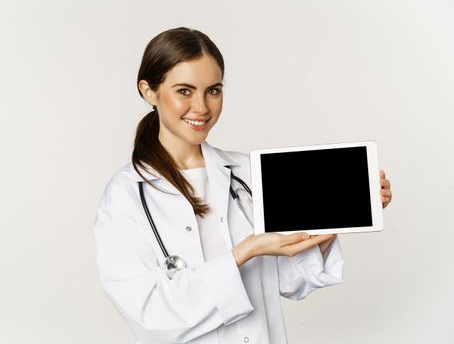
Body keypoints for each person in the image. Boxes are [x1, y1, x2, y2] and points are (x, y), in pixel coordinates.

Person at [93, 27, 393, 344]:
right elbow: (148, 315)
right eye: (184, 91)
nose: (202, 107)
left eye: (213, 90)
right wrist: (243, 253)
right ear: (149, 91)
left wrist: (346, 207)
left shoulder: (248, 173)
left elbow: (291, 281)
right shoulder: (125, 195)